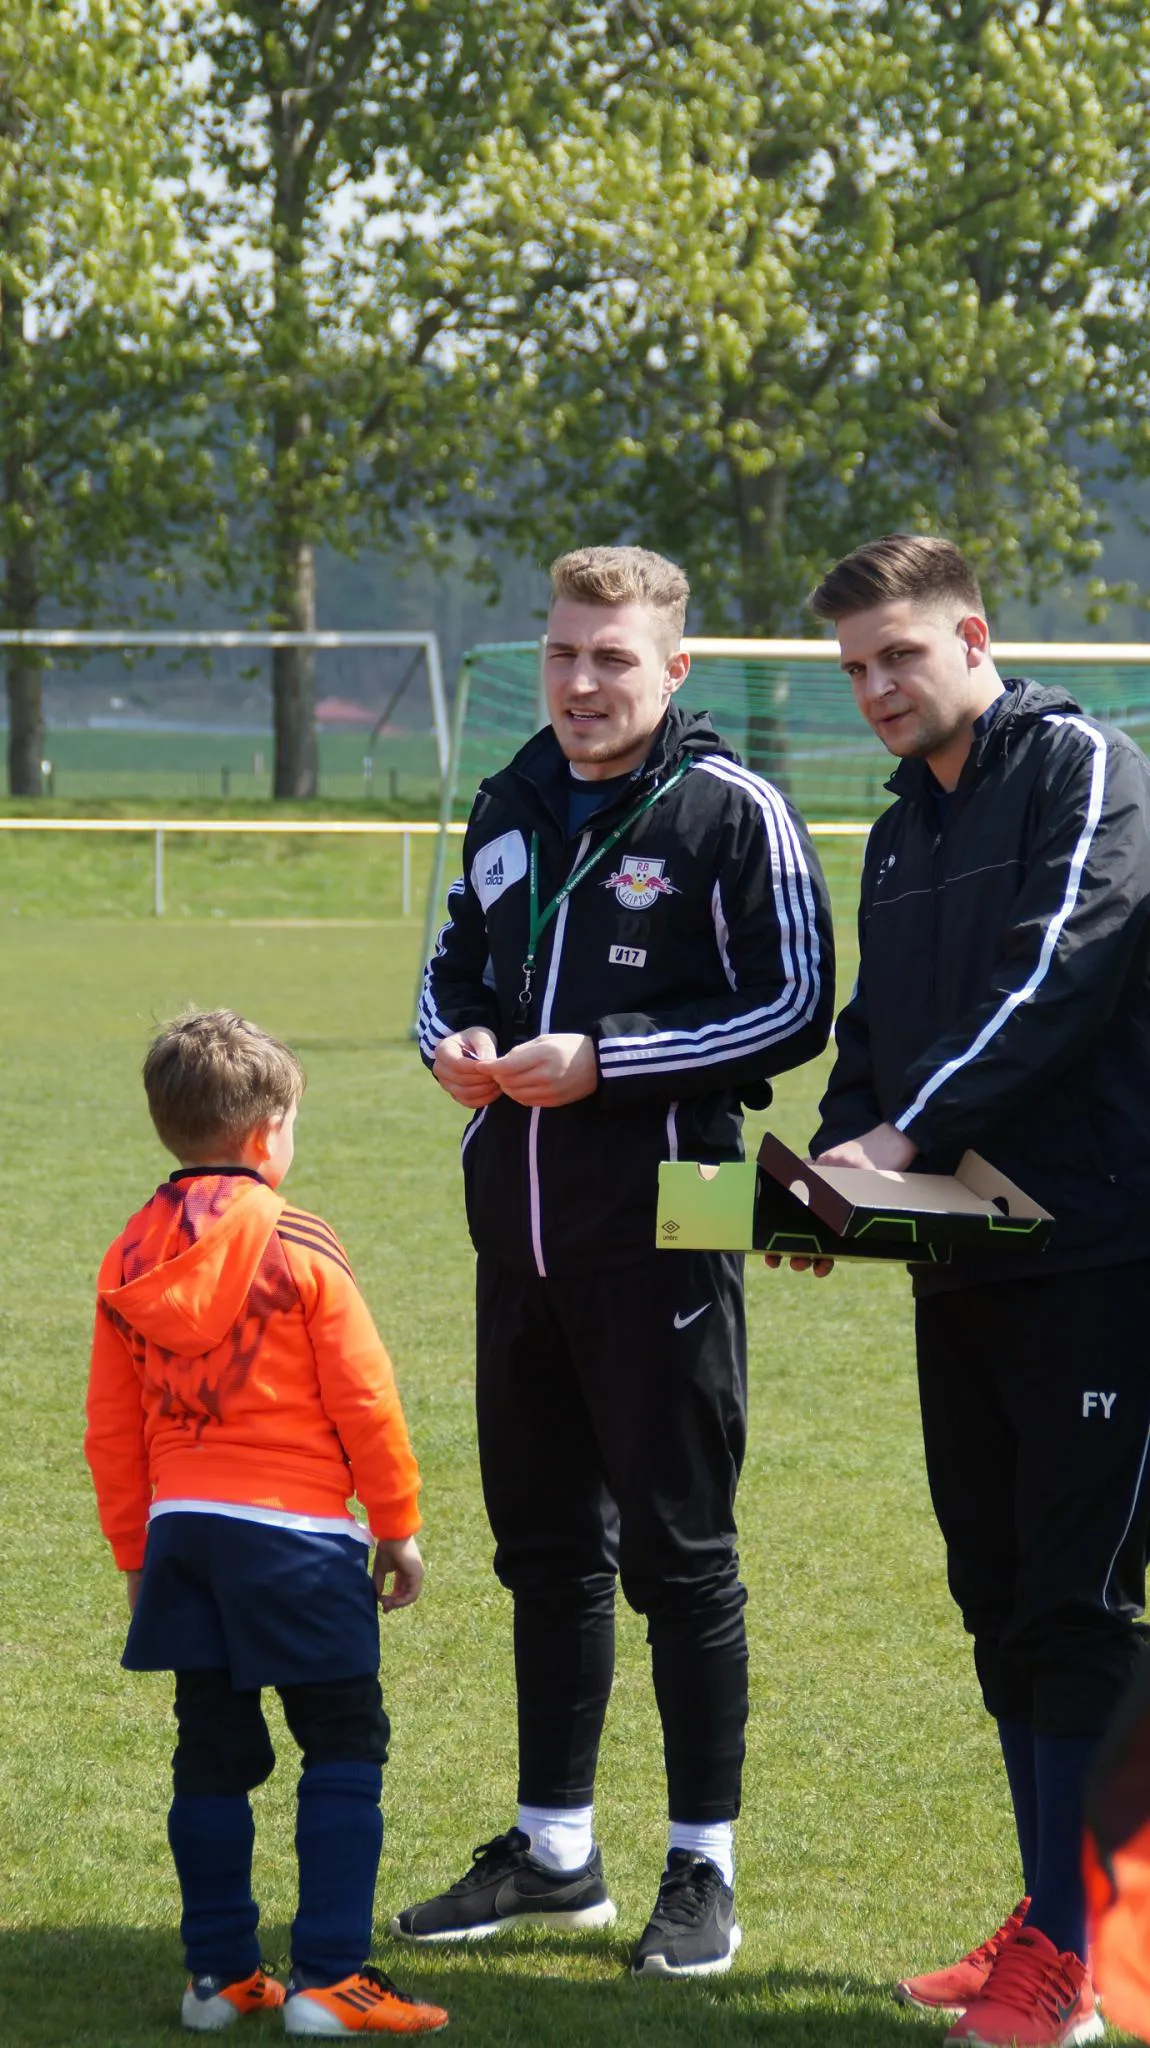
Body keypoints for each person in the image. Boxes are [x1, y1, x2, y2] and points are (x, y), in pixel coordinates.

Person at [402, 543, 834, 1977]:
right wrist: (455, 1041)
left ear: (673, 667)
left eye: (612, 658)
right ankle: (554, 1850)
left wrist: (609, 1060)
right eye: (562, 653)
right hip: (517, 1236)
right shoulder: (507, 798)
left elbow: (793, 1002)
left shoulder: (728, 809)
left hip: (677, 1213)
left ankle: (702, 1866)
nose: (581, 683)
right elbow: (447, 971)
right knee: (544, 1553)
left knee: (681, 1555)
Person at [788, 532, 1150, 2048]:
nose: (876, 686)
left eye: (899, 654)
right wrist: (832, 1177)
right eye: (855, 667)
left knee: (1076, 1604)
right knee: (998, 1600)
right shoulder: (900, 829)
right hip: (963, 1264)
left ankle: (1083, 1959)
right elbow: (876, 1026)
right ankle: (1051, 1913)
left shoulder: (1087, 770)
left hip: (1102, 1257)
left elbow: (1059, 975)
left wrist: (908, 1132)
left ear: (974, 637)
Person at [84, 1008, 448, 2038]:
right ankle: (329, 1977)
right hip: (293, 1533)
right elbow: (364, 1396)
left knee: (209, 1746)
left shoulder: (128, 1253)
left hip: (184, 1531)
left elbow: (110, 1427)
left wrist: (136, 1552)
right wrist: (397, 1522)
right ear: (266, 1133)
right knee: (344, 1737)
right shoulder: (299, 1241)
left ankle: (218, 1977)